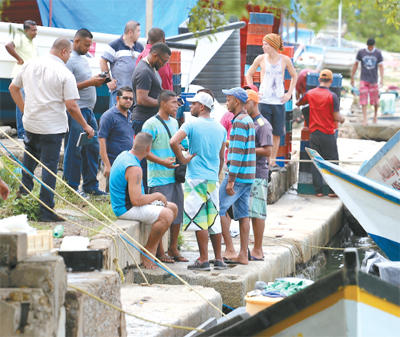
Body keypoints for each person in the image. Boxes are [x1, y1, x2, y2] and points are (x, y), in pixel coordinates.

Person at [9, 38, 95, 222]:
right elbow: (71, 105)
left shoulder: (31, 64)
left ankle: (22, 199)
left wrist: (25, 111)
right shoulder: (64, 73)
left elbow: (13, 88)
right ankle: (45, 210)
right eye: (69, 52)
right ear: (64, 51)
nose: (70, 56)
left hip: (31, 124)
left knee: (29, 163)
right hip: (51, 128)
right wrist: (86, 125)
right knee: (49, 168)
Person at [170, 91, 227, 271]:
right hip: (212, 179)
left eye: (193, 104)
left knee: (199, 218)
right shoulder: (220, 128)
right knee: (214, 218)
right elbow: (221, 157)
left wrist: (182, 158)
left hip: (196, 178)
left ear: (202, 107)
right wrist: (216, 174)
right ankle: (218, 259)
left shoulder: (191, 124)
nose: (190, 107)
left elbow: (173, 141)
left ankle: (203, 259)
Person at [109, 132, 176, 269]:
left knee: (173, 207)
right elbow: (136, 200)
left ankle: (159, 251)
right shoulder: (134, 168)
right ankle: (148, 251)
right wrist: (157, 195)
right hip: (125, 209)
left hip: (128, 204)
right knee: (167, 215)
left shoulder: (125, 155)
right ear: (148, 149)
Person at [142, 90, 188, 263]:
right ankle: (160, 252)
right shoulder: (150, 124)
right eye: (173, 103)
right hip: (158, 177)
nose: (177, 106)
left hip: (174, 175)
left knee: (177, 215)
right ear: (163, 103)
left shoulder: (175, 123)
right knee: (161, 214)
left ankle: (173, 247)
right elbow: (143, 151)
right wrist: (162, 162)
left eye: (177, 103)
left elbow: (180, 144)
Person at [64, 28, 107, 196]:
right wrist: (91, 82)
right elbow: (66, 87)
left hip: (88, 110)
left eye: (90, 45)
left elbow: (83, 81)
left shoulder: (83, 58)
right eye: (86, 45)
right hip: (77, 110)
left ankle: (90, 186)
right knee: (74, 149)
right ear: (76, 41)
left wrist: (96, 80)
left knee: (92, 148)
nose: (88, 48)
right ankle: (71, 187)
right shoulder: (70, 60)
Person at [245, 33, 297, 170]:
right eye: (263, 43)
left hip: (279, 102)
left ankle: (272, 161)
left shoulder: (285, 60)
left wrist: (289, 93)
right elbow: (248, 73)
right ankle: (264, 160)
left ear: (273, 45)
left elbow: (294, 76)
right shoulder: (261, 58)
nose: (263, 46)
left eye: (266, 44)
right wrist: (254, 91)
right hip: (264, 102)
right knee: (263, 128)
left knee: (278, 132)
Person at [219, 87, 255, 265]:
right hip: (247, 175)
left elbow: (237, 153)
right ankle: (242, 254)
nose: (227, 102)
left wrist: (230, 180)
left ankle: (228, 249)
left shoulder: (240, 122)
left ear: (237, 102)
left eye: (229, 99)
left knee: (218, 207)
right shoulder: (247, 119)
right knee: (243, 214)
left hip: (238, 176)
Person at [297, 69, 345, 197]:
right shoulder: (332, 96)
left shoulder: (310, 93)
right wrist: (343, 118)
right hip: (328, 133)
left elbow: (299, 103)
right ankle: (331, 191)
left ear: (319, 80)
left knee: (316, 161)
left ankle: (318, 191)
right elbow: (336, 117)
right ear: (330, 81)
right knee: (332, 162)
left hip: (314, 133)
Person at [132, 42, 171, 192]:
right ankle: (140, 193)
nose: (164, 64)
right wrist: (163, 104)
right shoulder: (144, 71)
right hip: (142, 120)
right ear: (155, 55)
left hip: (150, 119)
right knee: (143, 159)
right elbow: (142, 99)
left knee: (149, 158)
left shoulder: (151, 68)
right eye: (163, 60)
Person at [245, 89, 273, 261]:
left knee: (257, 212)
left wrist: (246, 150)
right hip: (248, 172)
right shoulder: (248, 122)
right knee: (248, 211)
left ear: (254, 103)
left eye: (245, 103)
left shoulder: (262, 125)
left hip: (258, 172)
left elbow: (267, 150)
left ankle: (258, 248)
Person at [5, 20, 38, 140]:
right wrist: (19, 59)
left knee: (27, 104)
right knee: (21, 104)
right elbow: (8, 45)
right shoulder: (21, 38)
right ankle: (21, 133)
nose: (36, 32)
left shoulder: (32, 42)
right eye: (33, 30)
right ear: (26, 31)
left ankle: (25, 132)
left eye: (36, 30)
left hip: (29, 77)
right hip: (21, 77)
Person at [100, 21, 143, 108]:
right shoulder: (115, 45)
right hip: (119, 93)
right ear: (130, 32)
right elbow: (102, 60)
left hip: (135, 95)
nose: (140, 34)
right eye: (138, 31)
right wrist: (108, 80)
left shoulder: (139, 47)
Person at [98, 86, 135, 190]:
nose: (128, 101)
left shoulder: (130, 115)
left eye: (131, 99)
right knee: (113, 196)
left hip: (127, 162)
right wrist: (106, 165)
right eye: (125, 98)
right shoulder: (108, 116)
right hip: (113, 163)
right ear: (117, 98)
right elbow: (101, 140)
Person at [351, 38, 384, 125]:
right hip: (364, 79)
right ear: (367, 46)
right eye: (369, 47)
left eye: (371, 47)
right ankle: (365, 119)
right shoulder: (361, 52)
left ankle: (375, 115)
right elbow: (356, 64)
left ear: (373, 46)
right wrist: (352, 77)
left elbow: (381, 66)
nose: (370, 48)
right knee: (363, 99)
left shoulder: (378, 53)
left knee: (375, 101)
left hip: (374, 80)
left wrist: (382, 79)